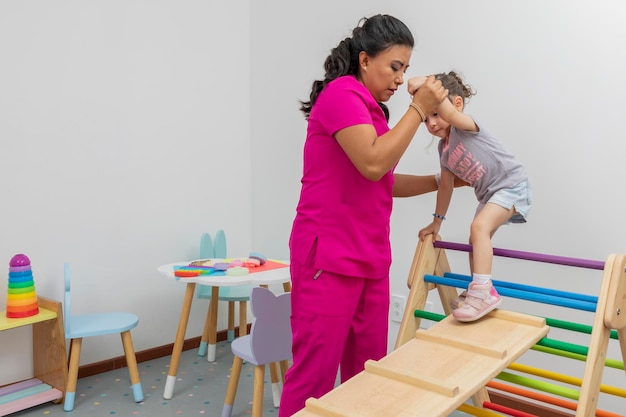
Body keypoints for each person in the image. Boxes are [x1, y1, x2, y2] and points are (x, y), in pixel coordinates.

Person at [278, 14, 449, 417]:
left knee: (367, 375)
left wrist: (440, 180)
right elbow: (373, 163)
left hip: (370, 258)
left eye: (405, 69)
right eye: (394, 66)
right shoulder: (340, 95)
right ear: (364, 59)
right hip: (329, 259)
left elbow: (379, 180)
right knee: (314, 380)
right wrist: (417, 108)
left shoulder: (373, 111)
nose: (399, 77)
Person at [411, 71, 531, 323]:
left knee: (479, 227)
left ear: (455, 104)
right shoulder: (443, 151)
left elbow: (450, 115)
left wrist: (424, 83)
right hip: (489, 194)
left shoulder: (465, 126)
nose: (432, 123)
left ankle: (482, 292)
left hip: (511, 184)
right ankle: (481, 287)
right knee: (475, 239)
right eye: (426, 118)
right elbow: (445, 187)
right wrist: (436, 221)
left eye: (436, 113)